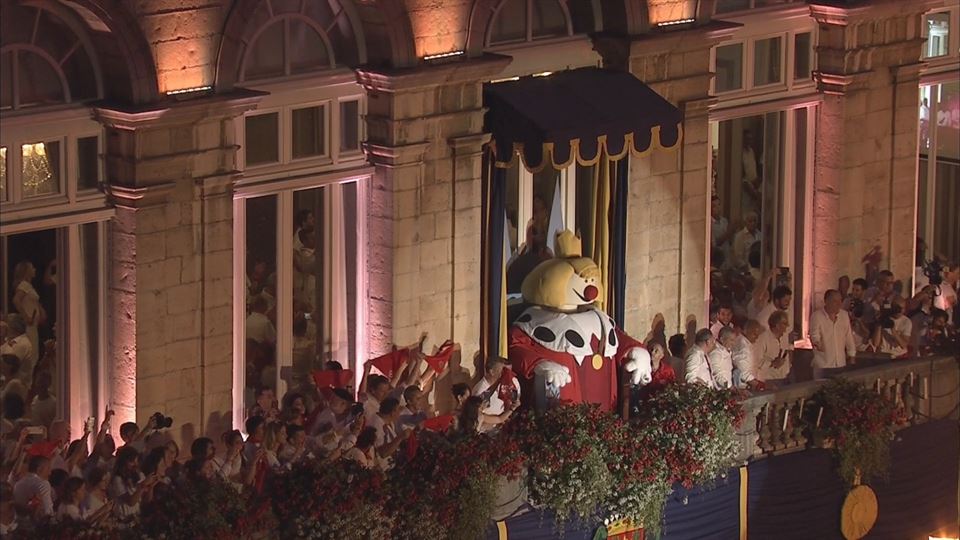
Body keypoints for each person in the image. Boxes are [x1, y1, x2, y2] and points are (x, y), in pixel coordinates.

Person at [809, 290, 857, 378]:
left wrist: (852, 355)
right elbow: (814, 335)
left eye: (840, 301)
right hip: (823, 364)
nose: (839, 304)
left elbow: (848, 337)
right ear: (826, 301)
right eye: (835, 301)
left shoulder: (844, 315)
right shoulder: (817, 316)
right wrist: (817, 343)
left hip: (841, 363)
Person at [11, 261, 45, 361]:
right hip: (29, 325)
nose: (35, 269)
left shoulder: (29, 286)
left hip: (34, 324)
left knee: (34, 353)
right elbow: (16, 300)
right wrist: (26, 317)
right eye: (32, 268)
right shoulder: (24, 285)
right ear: (26, 271)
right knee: (31, 354)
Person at [756, 311, 792, 385]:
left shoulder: (785, 338)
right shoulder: (763, 338)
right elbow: (757, 360)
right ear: (777, 325)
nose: (787, 325)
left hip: (784, 378)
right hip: (768, 379)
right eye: (785, 323)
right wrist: (772, 363)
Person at [1, 315, 35, 390]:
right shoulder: (10, 340)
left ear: (13, 328)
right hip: (7, 384)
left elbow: (6, 365)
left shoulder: (22, 343)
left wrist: (1, 338)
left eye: (7, 325)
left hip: (18, 388)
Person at [732, 320, 765, 390]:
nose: (757, 337)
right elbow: (742, 372)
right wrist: (758, 384)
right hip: (744, 387)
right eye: (754, 334)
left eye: (758, 335)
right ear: (746, 331)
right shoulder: (743, 346)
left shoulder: (745, 342)